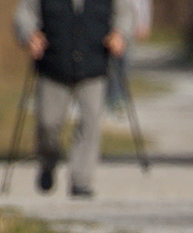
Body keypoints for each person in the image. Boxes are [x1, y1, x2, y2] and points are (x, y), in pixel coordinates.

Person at [14, 0, 134, 198]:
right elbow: (24, 15)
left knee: (90, 122)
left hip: (94, 65)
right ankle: (48, 162)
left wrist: (120, 35)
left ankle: (81, 180)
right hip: (53, 65)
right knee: (47, 123)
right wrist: (29, 35)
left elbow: (125, 14)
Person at [106, 0, 151, 112]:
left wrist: (144, 23)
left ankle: (121, 95)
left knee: (124, 63)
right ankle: (113, 97)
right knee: (111, 65)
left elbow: (143, 4)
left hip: (130, 26)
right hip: (112, 23)